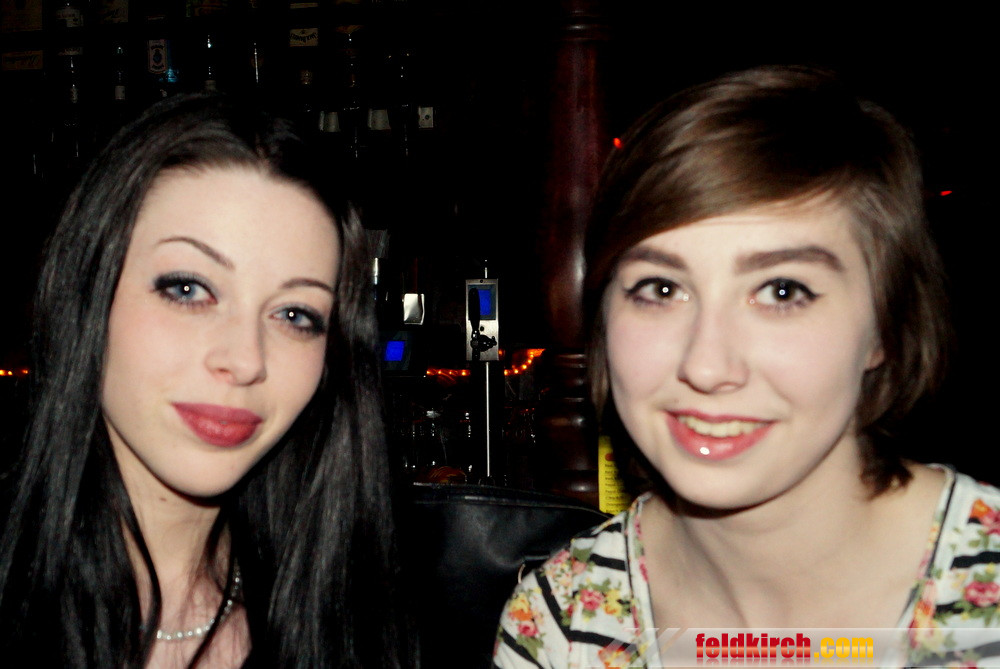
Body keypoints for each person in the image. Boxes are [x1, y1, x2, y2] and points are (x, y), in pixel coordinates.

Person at [494, 65, 1000, 667]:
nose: (707, 367)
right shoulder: (560, 622)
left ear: (885, 328)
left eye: (782, 291)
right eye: (660, 288)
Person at [0, 94, 411, 668]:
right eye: (188, 288)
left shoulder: (356, 617)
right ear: (87, 293)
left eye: (295, 315)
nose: (245, 361)